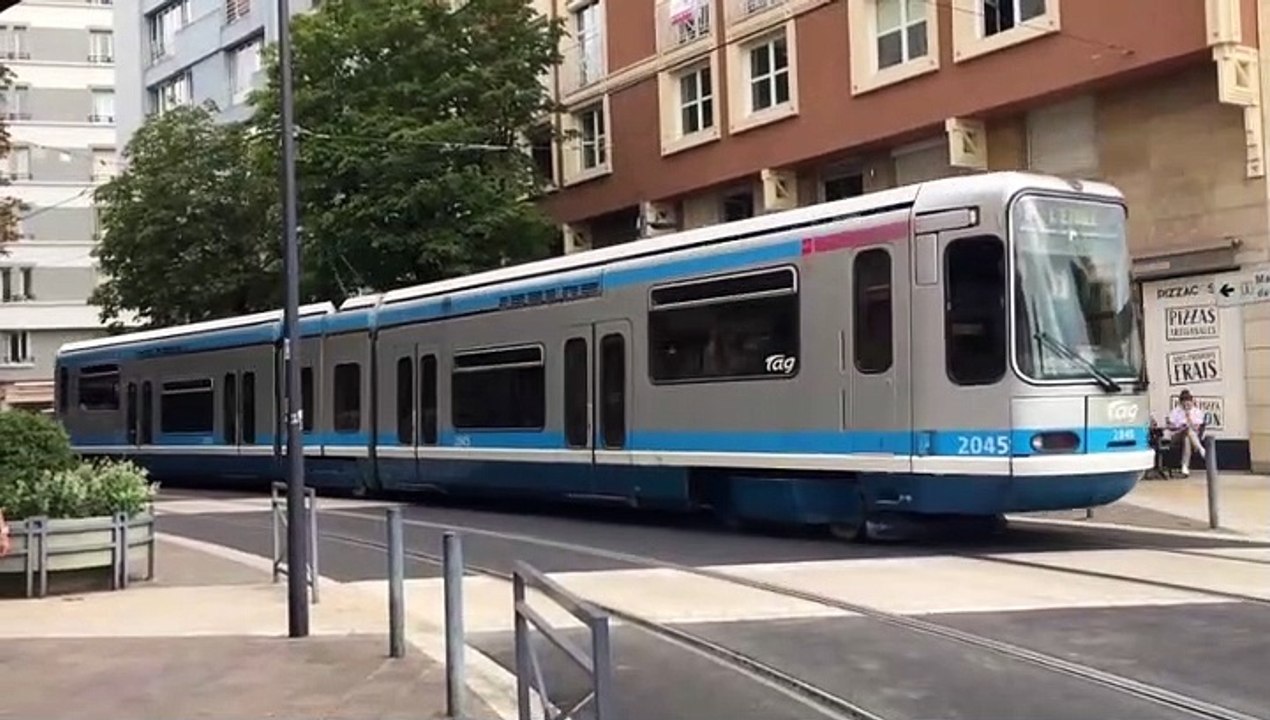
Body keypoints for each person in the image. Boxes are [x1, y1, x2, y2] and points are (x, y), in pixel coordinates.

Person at [1166, 389, 1207, 477]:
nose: (1186, 406)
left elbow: (1197, 428)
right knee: (1186, 431)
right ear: (1181, 403)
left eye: (1188, 404)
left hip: (1191, 436)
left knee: (1187, 438)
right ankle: (1200, 448)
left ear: (1192, 402)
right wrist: (1178, 426)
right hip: (1177, 435)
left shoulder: (1197, 412)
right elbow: (1170, 426)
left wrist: (1189, 418)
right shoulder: (1176, 411)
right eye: (1184, 404)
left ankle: (1184, 466)